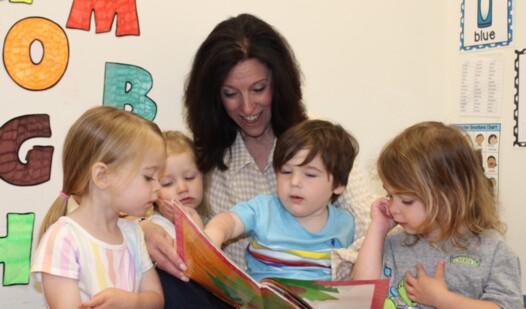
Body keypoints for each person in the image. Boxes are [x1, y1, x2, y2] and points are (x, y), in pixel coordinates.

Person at [140, 13, 376, 308]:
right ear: (214, 96)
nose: (248, 107)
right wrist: (147, 231)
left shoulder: (317, 142)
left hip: (314, 299)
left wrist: (330, 280)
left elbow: (369, 222)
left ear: (279, 84)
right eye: (231, 94)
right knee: (161, 278)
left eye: (258, 89)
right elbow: (144, 203)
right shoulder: (206, 152)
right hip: (232, 299)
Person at [351, 121, 523, 309]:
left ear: (451, 196)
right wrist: (378, 228)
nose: (393, 208)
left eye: (407, 200)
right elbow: (360, 296)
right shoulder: (394, 243)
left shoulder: (493, 251)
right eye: (389, 196)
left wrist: (443, 300)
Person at [31, 106, 165, 308]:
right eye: (148, 177)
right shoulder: (64, 239)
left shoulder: (133, 233)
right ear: (102, 176)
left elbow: (156, 300)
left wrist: (131, 302)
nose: (158, 187)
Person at [204, 119, 357, 281]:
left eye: (310, 174)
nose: (294, 182)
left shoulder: (345, 224)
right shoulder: (264, 209)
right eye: (286, 172)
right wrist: (214, 235)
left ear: (339, 184)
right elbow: (230, 221)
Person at [151, 130, 207, 239]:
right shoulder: (159, 228)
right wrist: (192, 219)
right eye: (167, 183)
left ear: (202, 176)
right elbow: (197, 254)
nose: (182, 188)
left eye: (189, 177)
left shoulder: (209, 218)